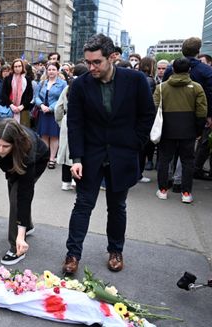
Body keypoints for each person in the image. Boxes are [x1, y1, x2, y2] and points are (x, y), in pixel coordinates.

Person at [63, 34, 155, 275]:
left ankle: (116, 251)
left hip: (123, 155)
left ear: (112, 57)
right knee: (82, 205)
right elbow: (75, 123)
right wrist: (77, 158)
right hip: (90, 156)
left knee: (117, 207)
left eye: (97, 62)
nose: (91, 67)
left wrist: (136, 143)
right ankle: (72, 254)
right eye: (88, 62)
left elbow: (147, 115)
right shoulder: (81, 84)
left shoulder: (135, 80)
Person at [0, 119, 49, 265]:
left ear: (15, 143)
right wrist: (11, 174)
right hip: (13, 163)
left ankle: (16, 246)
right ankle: (27, 225)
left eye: (5, 146)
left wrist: (20, 236)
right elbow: (2, 162)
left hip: (37, 160)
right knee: (13, 191)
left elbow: (25, 195)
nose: (1, 149)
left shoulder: (27, 150)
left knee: (17, 198)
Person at [154, 58, 207, 203]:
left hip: (166, 129)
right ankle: (186, 193)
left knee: (164, 159)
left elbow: (155, 107)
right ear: (189, 70)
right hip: (189, 129)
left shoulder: (161, 87)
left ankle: (163, 190)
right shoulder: (197, 88)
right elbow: (202, 111)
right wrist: (198, 130)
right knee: (187, 161)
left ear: (173, 70)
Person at [34, 61, 67, 169]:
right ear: (46, 71)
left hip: (55, 113)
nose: (51, 72)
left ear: (58, 71)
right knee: (43, 135)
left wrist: (51, 108)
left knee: (54, 136)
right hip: (43, 112)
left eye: (53, 69)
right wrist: (42, 105)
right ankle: (45, 156)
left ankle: (52, 158)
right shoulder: (42, 82)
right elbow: (36, 97)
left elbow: (62, 99)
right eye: (49, 70)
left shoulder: (63, 84)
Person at [2, 59, 34, 127]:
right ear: (13, 68)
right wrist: (11, 105)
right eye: (15, 66)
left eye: (19, 66)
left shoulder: (27, 79)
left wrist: (21, 106)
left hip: (24, 109)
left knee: (24, 131)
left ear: (22, 67)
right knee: (9, 130)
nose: (17, 68)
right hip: (10, 109)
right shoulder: (8, 78)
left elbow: (30, 95)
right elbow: (4, 93)